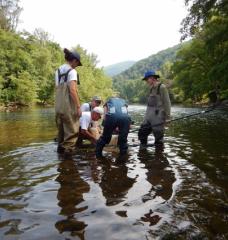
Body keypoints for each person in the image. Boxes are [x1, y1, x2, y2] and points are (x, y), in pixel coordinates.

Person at [55, 48, 82, 154]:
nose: (76, 66)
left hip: (58, 105)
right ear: (74, 60)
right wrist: (78, 107)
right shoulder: (72, 71)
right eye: (77, 63)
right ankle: (68, 164)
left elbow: (57, 88)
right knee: (72, 132)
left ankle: (60, 158)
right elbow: (72, 90)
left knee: (61, 133)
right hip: (68, 106)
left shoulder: (57, 71)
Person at [138, 70, 171, 147]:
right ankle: (143, 152)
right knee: (142, 133)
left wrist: (168, 117)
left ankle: (159, 156)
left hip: (158, 117)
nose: (146, 81)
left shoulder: (162, 87)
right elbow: (149, 105)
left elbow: (167, 103)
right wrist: (145, 117)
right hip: (148, 117)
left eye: (147, 79)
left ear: (152, 78)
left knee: (158, 139)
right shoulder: (151, 88)